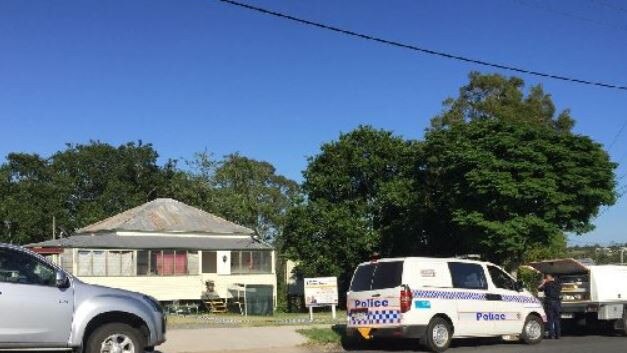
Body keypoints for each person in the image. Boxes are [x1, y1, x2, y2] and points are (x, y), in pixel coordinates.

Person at [538, 273, 562, 339]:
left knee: (550, 319)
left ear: (550, 277)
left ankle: (551, 335)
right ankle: (558, 335)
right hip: (557, 303)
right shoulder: (558, 284)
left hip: (549, 303)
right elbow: (560, 289)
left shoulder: (547, 284)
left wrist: (543, 283)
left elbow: (539, 288)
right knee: (556, 319)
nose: (545, 278)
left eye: (546, 277)